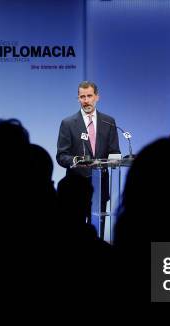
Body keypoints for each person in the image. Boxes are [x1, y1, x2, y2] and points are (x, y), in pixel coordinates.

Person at [56, 81, 121, 237]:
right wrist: (77, 161)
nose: (86, 100)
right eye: (82, 97)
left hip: (100, 186)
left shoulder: (108, 122)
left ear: (97, 97)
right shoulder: (68, 123)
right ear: (78, 99)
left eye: (89, 96)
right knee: (73, 234)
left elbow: (114, 152)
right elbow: (61, 156)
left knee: (97, 233)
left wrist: (115, 160)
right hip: (76, 187)